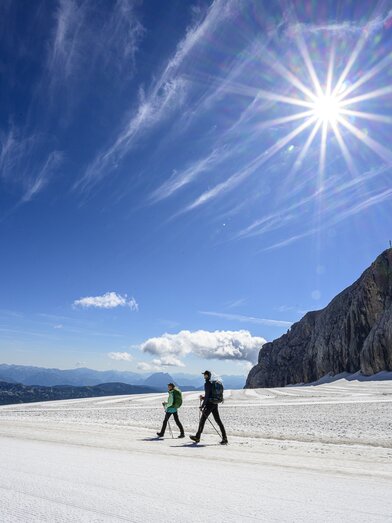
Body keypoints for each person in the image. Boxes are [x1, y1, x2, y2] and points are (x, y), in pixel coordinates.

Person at [190, 370, 228, 445]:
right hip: (214, 404)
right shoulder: (212, 383)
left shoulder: (207, 384)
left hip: (209, 404)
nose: (204, 376)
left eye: (205, 375)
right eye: (204, 375)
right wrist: (204, 398)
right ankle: (225, 438)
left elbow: (207, 396)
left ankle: (197, 437)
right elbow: (210, 395)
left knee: (202, 420)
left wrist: (202, 405)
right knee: (218, 421)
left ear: (207, 376)